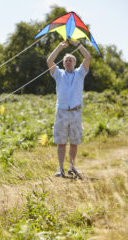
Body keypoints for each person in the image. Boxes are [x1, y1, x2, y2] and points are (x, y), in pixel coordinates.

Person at [47, 40, 91, 178]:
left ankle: (72, 166)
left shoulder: (80, 73)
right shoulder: (58, 74)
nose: (68, 62)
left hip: (76, 112)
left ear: (75, 63)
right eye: (66, 60)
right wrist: (60, 47)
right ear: (63, 63)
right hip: (62, 112)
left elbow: (88, 57)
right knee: (61, 142)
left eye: (71, 60)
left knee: (74, 142)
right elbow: (49, 60)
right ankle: (60, 169)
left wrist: (77, 45)